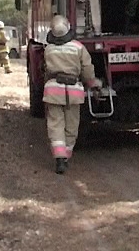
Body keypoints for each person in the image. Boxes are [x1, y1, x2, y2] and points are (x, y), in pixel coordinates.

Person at [43, 15, 100, 174]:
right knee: (71, 126)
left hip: (53, 91)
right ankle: (66, 156)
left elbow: (45, 70)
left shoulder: (48, 49)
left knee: (55, 125)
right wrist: (92, 84)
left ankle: (59, 159)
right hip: (74, 91)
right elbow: (87, 69)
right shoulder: (78, 47)